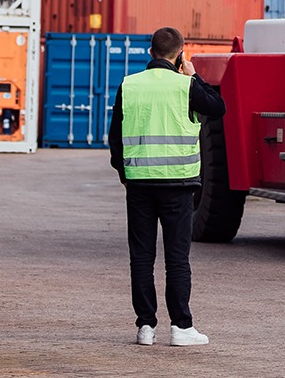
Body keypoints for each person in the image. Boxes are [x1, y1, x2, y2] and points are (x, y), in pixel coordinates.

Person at [109, 27, 224, 347]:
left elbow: (114, 138)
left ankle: (145, 327)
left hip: (140, 186)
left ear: (150, 52)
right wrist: (196, 76)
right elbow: (218, 107)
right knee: (176, 258)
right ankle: (181, 328)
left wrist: (125, 174)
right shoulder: (186, 85)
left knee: (141, 257)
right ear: (180, 54)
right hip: (178, 185)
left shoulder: (129, 85)